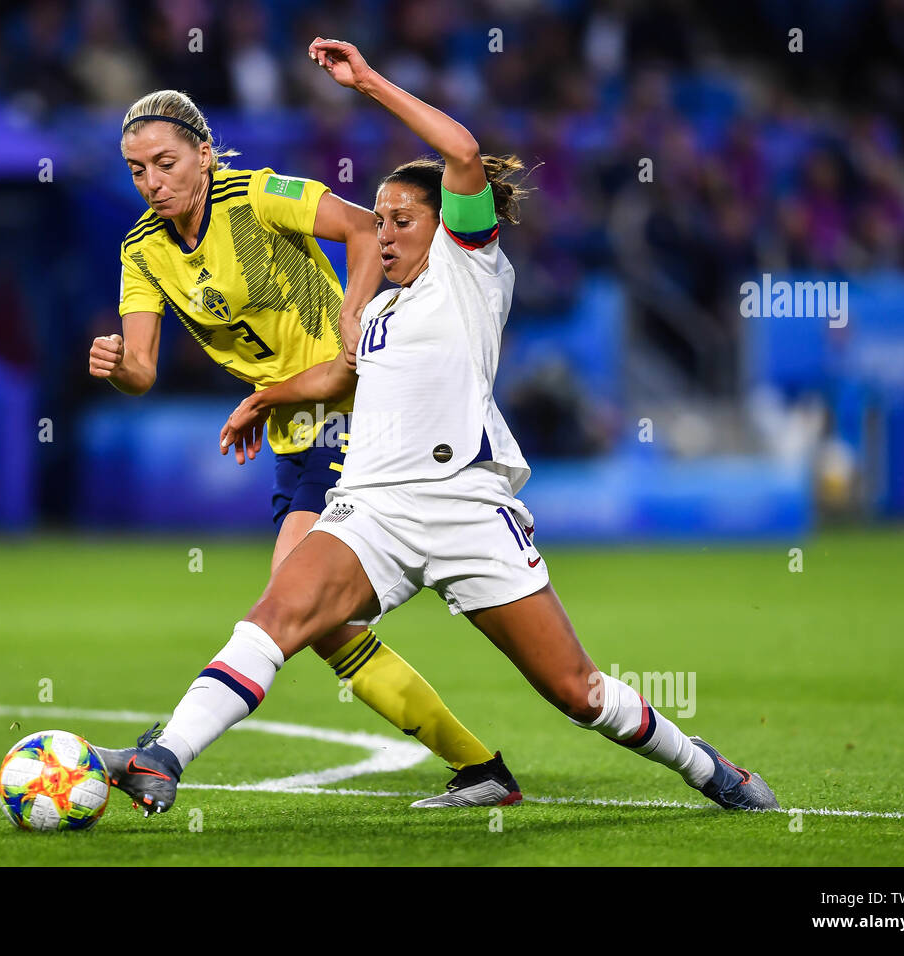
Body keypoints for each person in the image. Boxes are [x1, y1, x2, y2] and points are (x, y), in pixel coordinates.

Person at [92, 42, 779, 816]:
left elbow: (458, 151)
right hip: (373, 508)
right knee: (279, 614)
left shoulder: (468, 270)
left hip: (463, 507)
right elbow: (338, 377)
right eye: (377, 221)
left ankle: (705, 767)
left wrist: (369, 83)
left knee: (576, 691)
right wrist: (268, 395)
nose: (381, 234)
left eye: (400, 220)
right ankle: (164, 756)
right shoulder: (378, 311)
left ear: (443, 221)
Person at [88, 88, 522, 807]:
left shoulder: (259, 196)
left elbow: (360, 228)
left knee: (290, 606)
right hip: (295, 430)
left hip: (351, 410)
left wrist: (353, 312)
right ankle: (479, 768)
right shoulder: (143, 249)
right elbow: (142, 370)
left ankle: (164, 749)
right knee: (318, 624)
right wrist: (117, 366)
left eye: (165, 163)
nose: (152, 182)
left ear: (204, 153)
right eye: (136, 170)